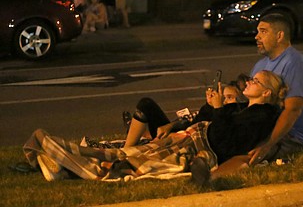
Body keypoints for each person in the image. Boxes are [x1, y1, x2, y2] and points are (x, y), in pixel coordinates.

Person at [22, 70, 287, 181]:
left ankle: (61, 161)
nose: (250, 81)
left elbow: (228, 140)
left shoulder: (262, 117)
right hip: (187, 136)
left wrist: (217, 110)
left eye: (256, 81)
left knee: (130, 160)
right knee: (128, 154)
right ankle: (57, 157)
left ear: (266, 94)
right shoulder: (242, 107)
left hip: (198, 145)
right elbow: (205, 117)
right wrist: (211, 105)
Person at [248, 13, 303, 166]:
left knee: (244, 151)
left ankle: (211, 176)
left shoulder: (295, 63)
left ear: (279, 36)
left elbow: (292, 110)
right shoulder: (260, 66)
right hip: (264, 127)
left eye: (263, 31)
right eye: (257, 32)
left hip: (291, 136)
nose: (257, 37)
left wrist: (268, 145)